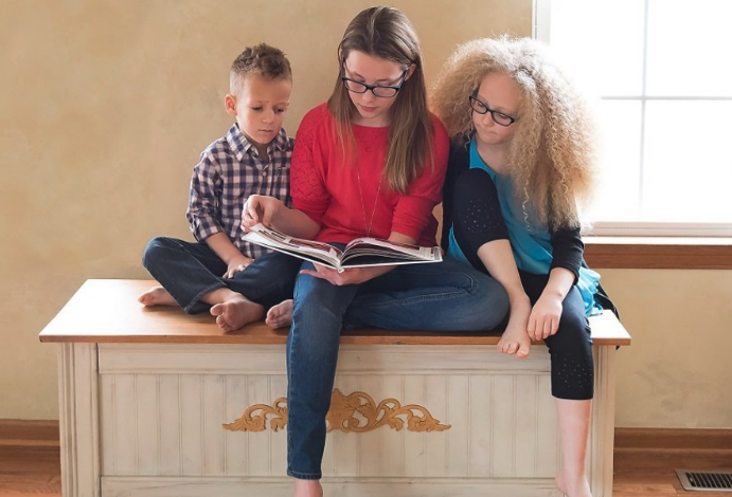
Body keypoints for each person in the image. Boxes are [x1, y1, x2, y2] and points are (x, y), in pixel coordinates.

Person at [242, 8, 509, 497]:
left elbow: (406, 233)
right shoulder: (319, 125)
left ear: (408, 73)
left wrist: (362, 277)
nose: (366, 97)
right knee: (319, 302)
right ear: (343, 65)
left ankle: (313, 310)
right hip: (330, 255)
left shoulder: (427, 132)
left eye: (382, 85)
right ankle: (306, 477)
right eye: (356, 81)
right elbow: (312, 218)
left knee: (487, 300)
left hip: (399, 259)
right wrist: (275, 212)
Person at [431, 37, 618, 497]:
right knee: (473, 185)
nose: (484, 120)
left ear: (531, 119)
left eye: (502, 115)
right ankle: (516, 303)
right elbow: (441, 215)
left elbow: (569, 244)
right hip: (482, 267)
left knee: (573, 330)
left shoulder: (550, 162)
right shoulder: (459, 149)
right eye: (480, 105)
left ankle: (573, 475)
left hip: (544, 270)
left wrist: (554, 297)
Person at [138, 43, 302, 331]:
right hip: (225, 258)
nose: (269, 118)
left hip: (272, 265)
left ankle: (193, 293)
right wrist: (233, 257)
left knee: (290, 269)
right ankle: (227, 295)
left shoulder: (295, 154)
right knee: (156, 250)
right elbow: (199, 213)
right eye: (257, 108)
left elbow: (304, 215)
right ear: (232, 105)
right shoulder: (216, 157)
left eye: (279, 109)